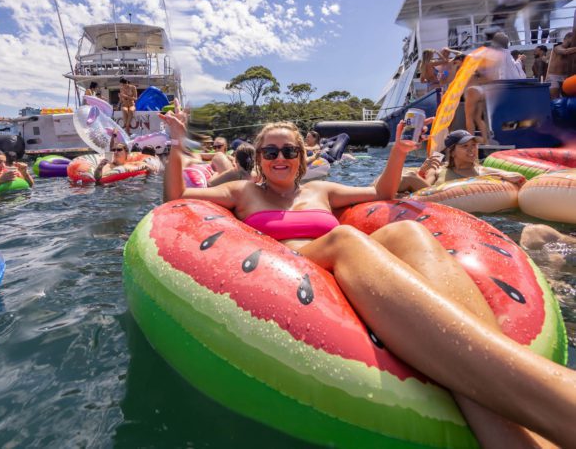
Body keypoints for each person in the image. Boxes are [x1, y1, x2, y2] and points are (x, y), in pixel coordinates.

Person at [161, 105, 574, 448]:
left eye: (289, 150)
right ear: (259, 160)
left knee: (408, 230)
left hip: (349, 268)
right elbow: (177, 199)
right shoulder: (241, 194)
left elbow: (382, 195)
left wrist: (400, 151)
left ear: (302, 158)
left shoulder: (322, 193)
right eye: (270, 152)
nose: (280, 157)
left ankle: (511, 428)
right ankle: (552, 398)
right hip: (292, 270)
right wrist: (178, 144)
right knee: (344, 237)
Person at [398, 130, 526, 193]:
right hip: (439, 206)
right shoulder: (438, 170)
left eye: (474, 145)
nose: (472, 150)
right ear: (452, 152)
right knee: (409, 177)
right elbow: (424, 192)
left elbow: (518, 177)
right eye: (465, 146)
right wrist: (424, 170)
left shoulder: (482, 170)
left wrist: (500, 177)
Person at [464, 32, 522, 143]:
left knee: (469, 117)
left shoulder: (488, 56)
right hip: (488, 90)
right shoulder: (505, 55)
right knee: (478, 118)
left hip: (477, 89)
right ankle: (486, 140)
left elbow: (499, 74)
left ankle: (470, 142)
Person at [94, 142, 159, 182]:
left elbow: (153, 169)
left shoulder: (133, 164)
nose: (115, 152)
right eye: (114, 150)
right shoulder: (108, 165)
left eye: (119, 150)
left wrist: (147, 167)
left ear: (126, 153)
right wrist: (99, 168)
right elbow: (98, 179)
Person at [546, 32, 576, 98]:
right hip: (554, 77)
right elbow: (565, 52)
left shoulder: (572, 50)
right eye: (570, 41)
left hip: (566, 77)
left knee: (566, 98)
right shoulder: (557, 48)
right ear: (565, 39)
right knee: (554, 98)